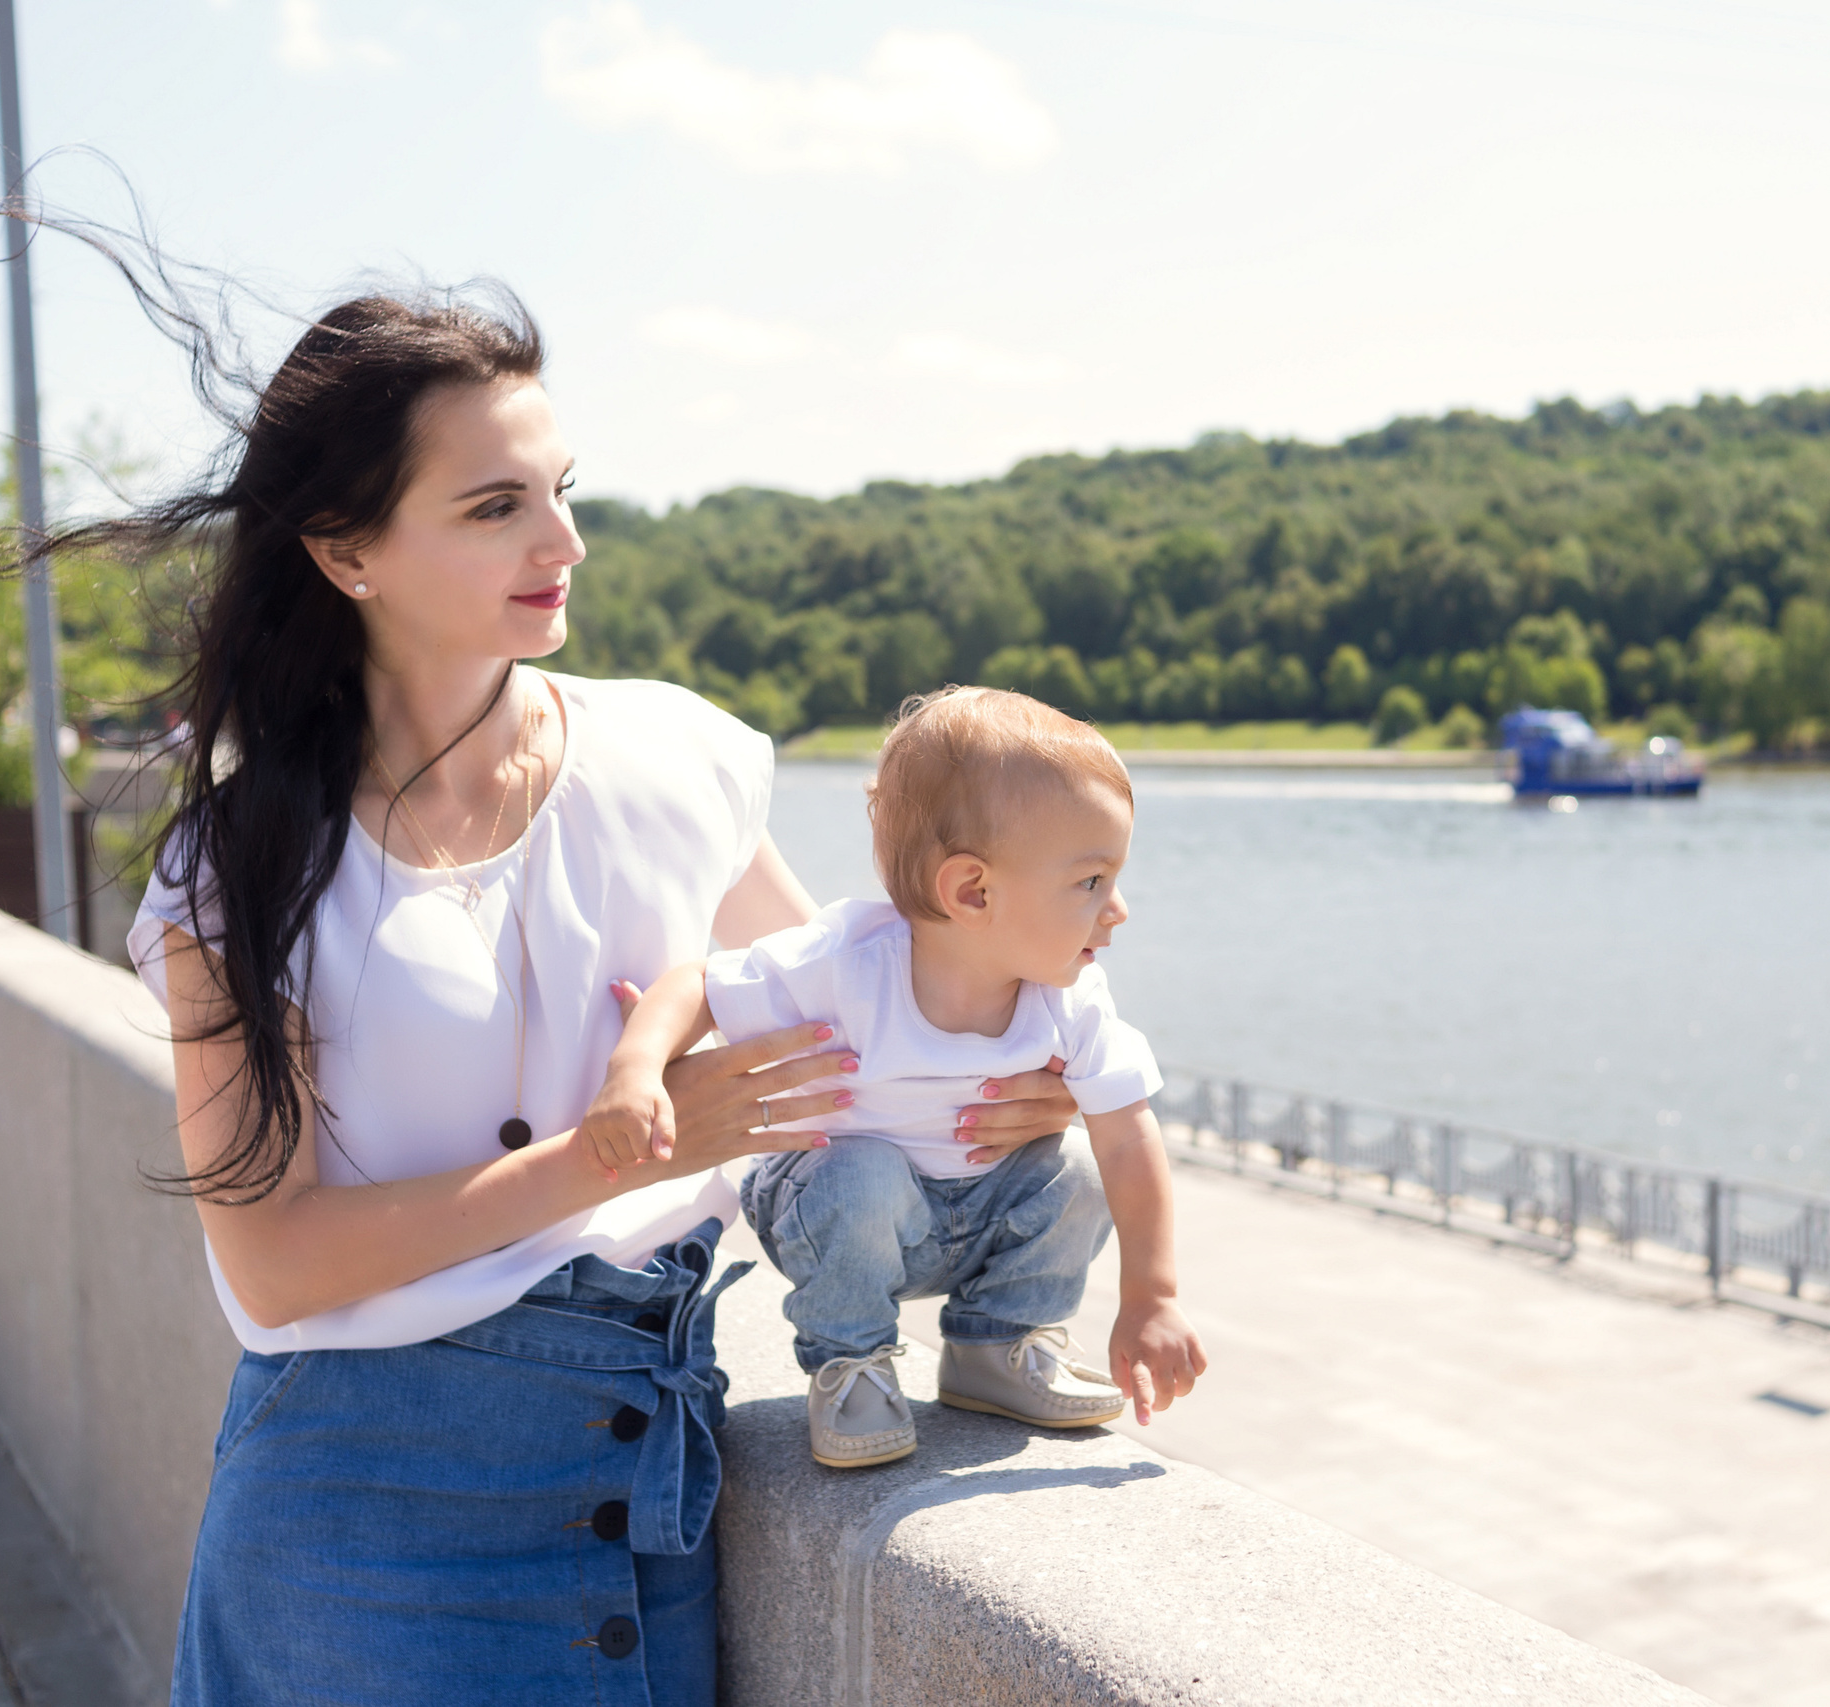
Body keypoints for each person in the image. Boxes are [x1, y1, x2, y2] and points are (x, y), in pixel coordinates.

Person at [105, 286, 1080, 1704]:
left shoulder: (673, 761)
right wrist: (622, 1147)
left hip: (639, 1495)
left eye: (563, 490)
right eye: (495, 505)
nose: (564, 543)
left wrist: (1004, 1072)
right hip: (358, 1525)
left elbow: (844, 1036)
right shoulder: (240, 866)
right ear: (346, 549)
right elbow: (276, 1262)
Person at [581, 686, 1207, 1470]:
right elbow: (699, 984)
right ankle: (851, 1363)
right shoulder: (845, 963)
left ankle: (999, 1344)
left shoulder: (1070, 996)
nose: (1118, 910)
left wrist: (1152, 1296)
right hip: (834, 1206)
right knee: (865, 1169)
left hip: (971, 1215)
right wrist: (637, 1066)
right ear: (972, 891)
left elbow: (1127, 1138)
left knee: (1076, 1167)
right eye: (1091, 882)